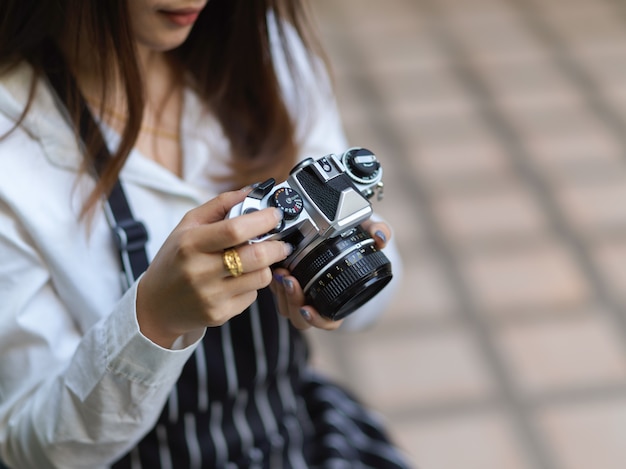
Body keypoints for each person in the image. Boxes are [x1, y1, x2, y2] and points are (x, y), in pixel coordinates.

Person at [0, 0, 410, 467]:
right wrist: (154, 320)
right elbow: (30, 450)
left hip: (294, 437)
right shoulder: (12, 150)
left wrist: (337, 275)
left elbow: (374, 295)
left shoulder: (267, 47)